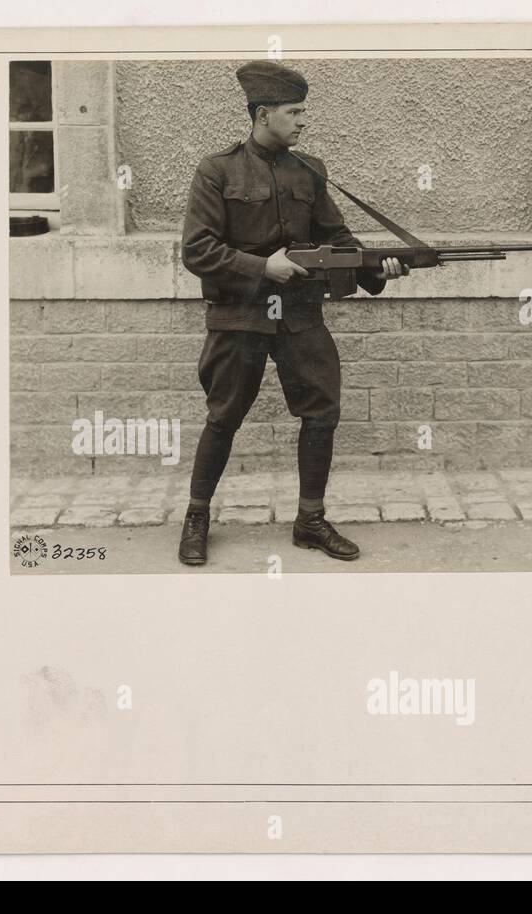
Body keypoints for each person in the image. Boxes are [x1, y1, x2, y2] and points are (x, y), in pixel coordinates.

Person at [177, 59, 408, 566]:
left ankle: (310, 520)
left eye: (303, 111)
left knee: (322, 413)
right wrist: (264, 267)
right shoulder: (217, 171)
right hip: (240, 316)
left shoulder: (311, 170)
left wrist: (377, 270)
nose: (304, 120)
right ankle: (196, 517)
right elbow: (197, 250)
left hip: (300, 316)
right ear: (263, 114)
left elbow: (337, 239)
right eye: (294, 111)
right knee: (223, 418)